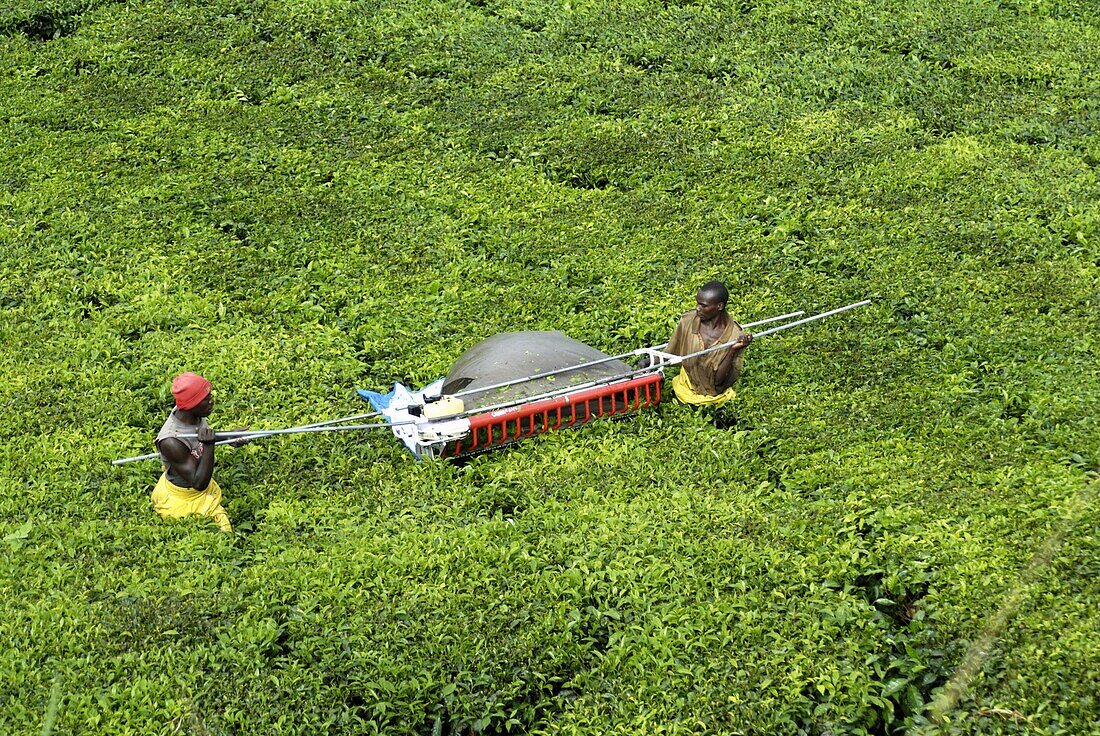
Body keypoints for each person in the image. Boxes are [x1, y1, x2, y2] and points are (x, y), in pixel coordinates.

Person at [152, 373, 247, 532]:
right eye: (206, 399)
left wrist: (228, 436)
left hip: (195, 478)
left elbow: (201, 437)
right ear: (191, 404)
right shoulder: (171, 441)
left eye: (210, 395)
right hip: (184, 496)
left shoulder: (191, 415)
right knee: (224, 531)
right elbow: (199, 484)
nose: (212, 401)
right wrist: (208, 445)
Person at [663, 281, 753, 405]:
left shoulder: (735, 335)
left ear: (719, 306)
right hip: (684, 388)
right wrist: (648, 362)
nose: (697, 308)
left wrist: (733, 350)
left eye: (703, 305)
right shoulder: (688, 321)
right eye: (697, 303)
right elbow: (672, 352)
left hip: (714, 398)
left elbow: (718, 382)